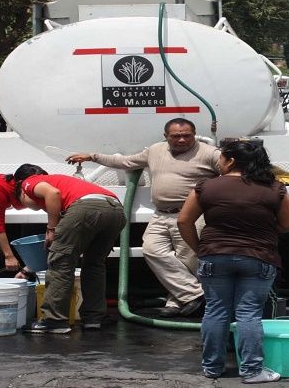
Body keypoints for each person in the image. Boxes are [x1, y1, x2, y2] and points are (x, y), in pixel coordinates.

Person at [67, 118, 220, 317]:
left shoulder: (210, 153)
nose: (182, 140)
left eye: (187, 135)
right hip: (161, 214)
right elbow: (125, 161)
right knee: (152, 250)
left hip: (191, 214)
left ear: (194, 134)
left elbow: (232, 173)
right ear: (166, 137)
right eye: (176, 136)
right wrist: (92, 156)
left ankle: (178, 304)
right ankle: (195, 296)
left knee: (188, 260)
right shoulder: (155, 150)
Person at [177, 140, 289, 383]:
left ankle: (212, 368)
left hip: (215, 255)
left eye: (221, 157)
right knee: (249, 314)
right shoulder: (275, 188)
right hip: (258, 257)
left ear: (230, 160)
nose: (219, 162)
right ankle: (252, 371)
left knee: (216, 311)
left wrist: (201, 249)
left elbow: (183, 221)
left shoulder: (206, 187)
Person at [19, 171, 126, 334]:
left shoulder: (28, 182)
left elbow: (53, 193)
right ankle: (94, 318)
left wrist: (51, 228)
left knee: (60, 263)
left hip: (87, 207)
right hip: (116, 209)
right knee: (95, 264)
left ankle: (54, 320)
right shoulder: (66, 183)